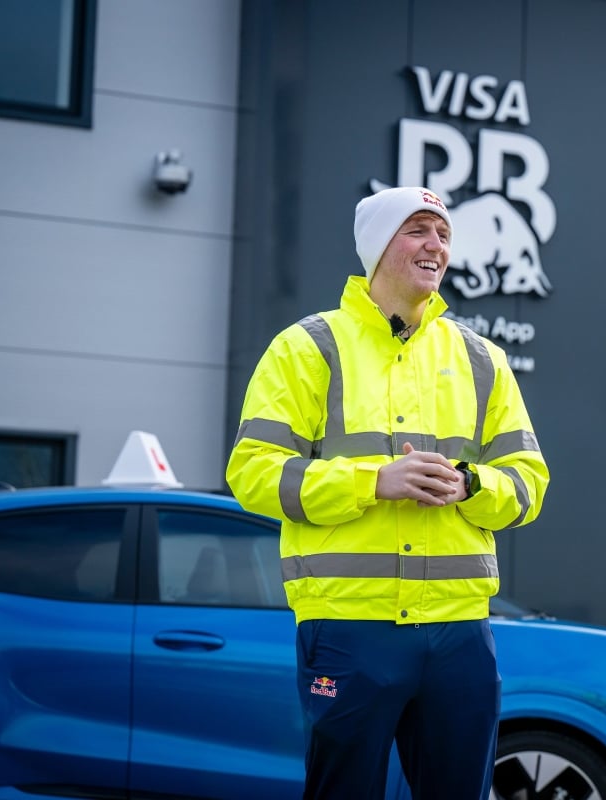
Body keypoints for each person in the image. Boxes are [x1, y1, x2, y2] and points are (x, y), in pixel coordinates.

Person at [227, 186, 549, 800]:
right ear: (377, 246)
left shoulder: (483, 360)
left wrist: (470, 483)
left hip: (459, 630)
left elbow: (529, 484)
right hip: (348, 625)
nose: (437, 245)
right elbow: (253, 473)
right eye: (418, 230)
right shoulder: (306, 348)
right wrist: (374, 480)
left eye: (444, 234)